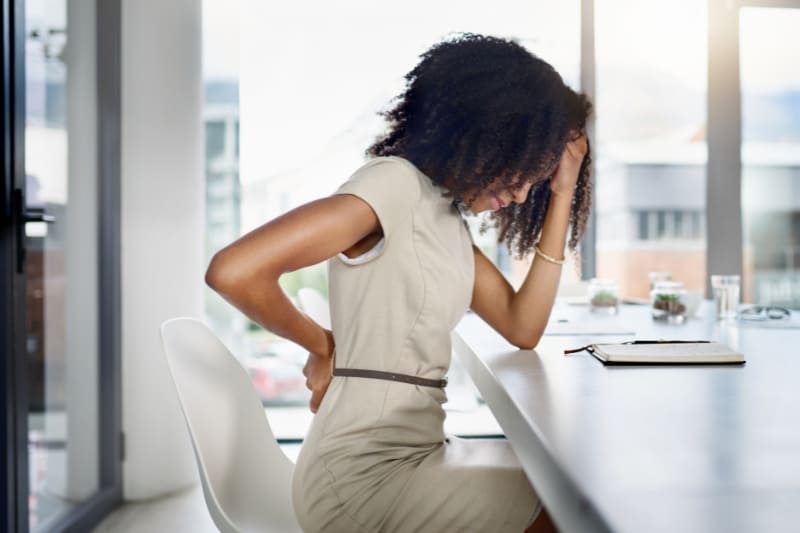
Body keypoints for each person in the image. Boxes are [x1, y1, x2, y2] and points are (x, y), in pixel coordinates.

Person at [206, 33, 591, 533]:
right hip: (362, 482)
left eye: (534, 183)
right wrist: (322, 346)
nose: (520, 195)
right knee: (571, 511)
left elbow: (523, 326)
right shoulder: (394, 185)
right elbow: (234, 271)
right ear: (484, 138)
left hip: (416, 458)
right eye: (521, 173)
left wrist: (562, 193)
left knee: (566, 492)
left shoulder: (443, 220)